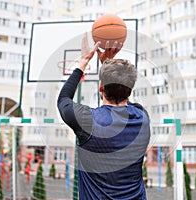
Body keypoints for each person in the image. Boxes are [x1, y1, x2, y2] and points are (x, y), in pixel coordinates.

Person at [57, 33, 151, 199]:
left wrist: (84, 61)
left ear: (101, 88)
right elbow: (123, 93)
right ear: (130, 90)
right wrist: (107, 67)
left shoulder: (88, 121)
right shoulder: (142, 118)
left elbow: (63, 99)